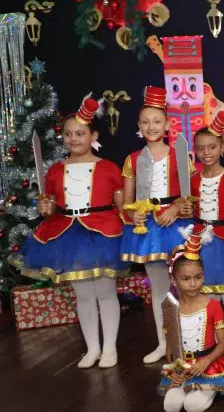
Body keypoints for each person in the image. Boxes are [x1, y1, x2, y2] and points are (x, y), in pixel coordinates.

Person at [10, 95, 127, 368]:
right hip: (68, 236)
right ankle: (92, 348)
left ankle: (110, 349)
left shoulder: (109, 168)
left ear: (93, 135)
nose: (73, 139)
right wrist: (46, 208)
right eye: (68, 134)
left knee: (105, 291)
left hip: (103, 234)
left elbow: (121, 205)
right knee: (83, 295)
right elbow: (51, 205)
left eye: (80, 134)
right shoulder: (55, 171)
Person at [119, 85, 195, 363]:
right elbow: (127, 201)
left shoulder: (179, 155)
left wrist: (175, 207)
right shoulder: (132, 159)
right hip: (148, 229)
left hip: (176, 225)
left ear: (167, 125)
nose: (151, 126)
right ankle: (165, 343)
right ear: (139, 126)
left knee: (187, 283)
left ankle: (191, 340)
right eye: (145, 122)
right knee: (159, 288)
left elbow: (191, 193)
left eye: (156, 121)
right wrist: (132, 215)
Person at [177, 110, 224, 352]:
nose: (206, 152)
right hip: (201, 243)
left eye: (212, 147)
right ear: (195, 151)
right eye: (201, 148)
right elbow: (189, 212)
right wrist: (185, 210)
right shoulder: (193, 180)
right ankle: (213, 343)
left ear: (222, 148)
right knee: (207, 294)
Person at [158, 232, 224, 412]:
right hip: (182, 367)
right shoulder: (170, 308)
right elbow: (171, 346)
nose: (193, 284)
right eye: (186, 279)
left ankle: (210, 388)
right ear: (174, 280)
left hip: (207, 365)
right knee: (171, 407)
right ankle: (186, 386)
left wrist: (206, 362)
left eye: (198, 277)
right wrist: (175, 370)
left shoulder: (213, 305)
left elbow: (223, 344)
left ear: (203, 276)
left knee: (192, 407)